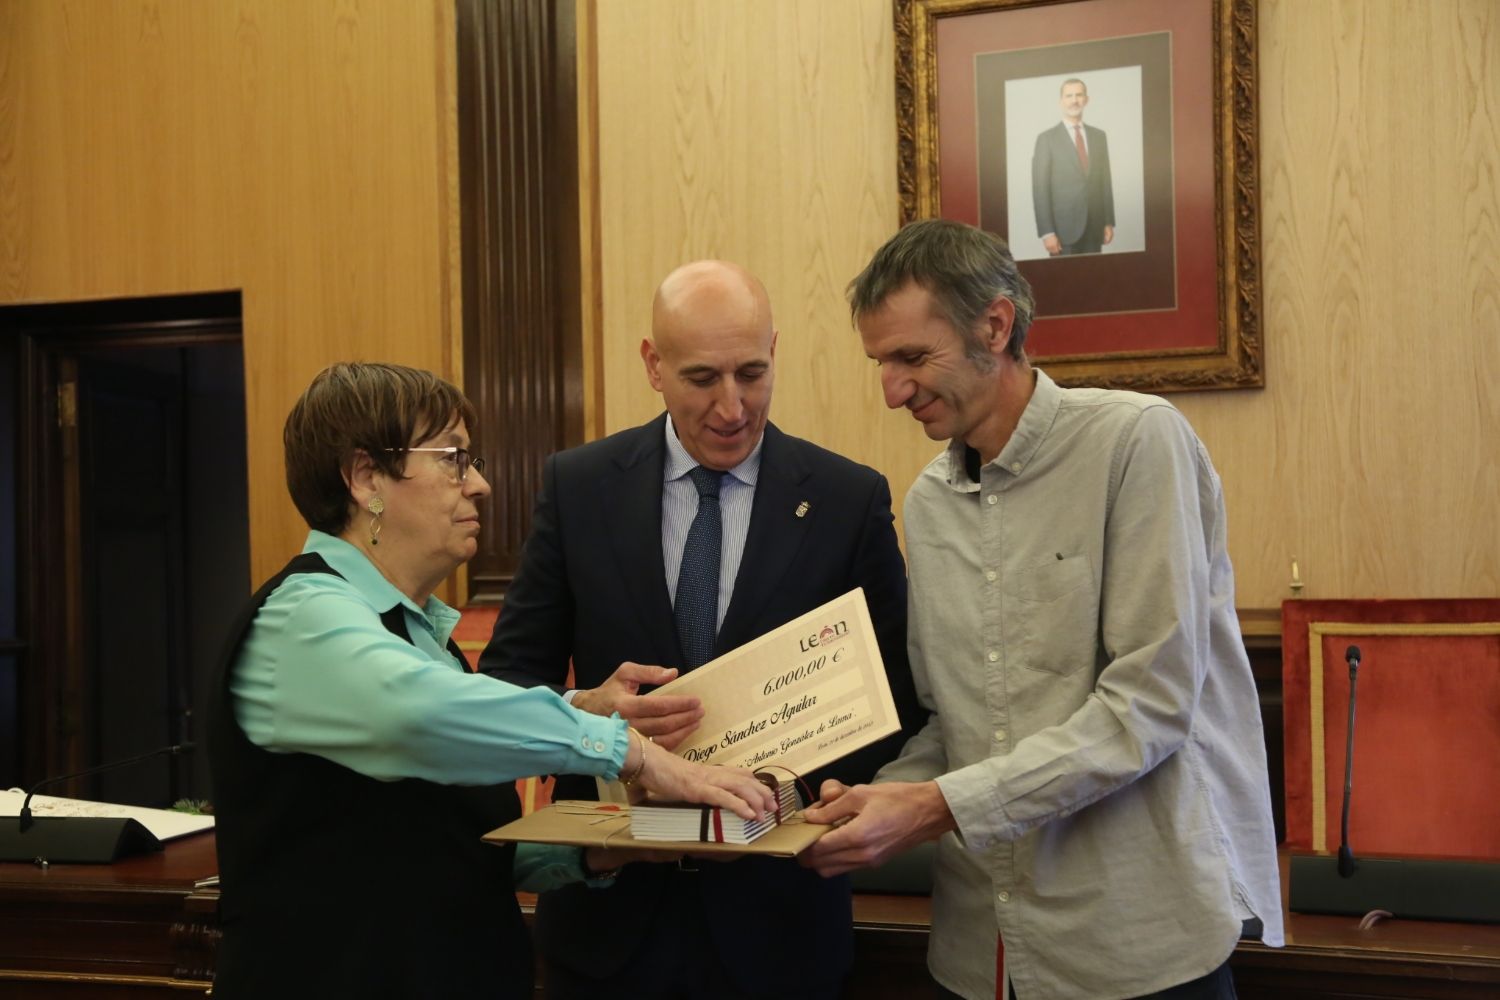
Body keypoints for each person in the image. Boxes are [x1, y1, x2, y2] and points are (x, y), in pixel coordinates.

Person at [800, 219, 1282, 1000]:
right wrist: (872, 799)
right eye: (880, 363)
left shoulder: (1137, 443)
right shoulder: (926, 504)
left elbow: (1148, 707)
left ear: (995, 325)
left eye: (911, 357)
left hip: (1134, 947)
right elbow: (948, 721)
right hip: (976, 954)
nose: (891, 390)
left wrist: (930, 807)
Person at [207, 362, 775, 1000]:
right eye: (452, 458)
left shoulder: (420, 635)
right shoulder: (304, 617)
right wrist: (632, 752)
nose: (478, 483)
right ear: (366, 477)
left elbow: (442, 844)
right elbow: (417, 714)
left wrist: (605, 850)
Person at [480, 260, 917, 1000]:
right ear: (653, 365)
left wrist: (785, 798)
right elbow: (507, 683)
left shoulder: (847, 500)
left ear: (775, 350)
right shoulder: (579, 488)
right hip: (608, 931)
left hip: (778, 929)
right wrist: (589, 708)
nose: (731, 406)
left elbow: (896, 702)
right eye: (701, 378)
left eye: (752, 372)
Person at [1032, 77, 1115, 256]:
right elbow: (1040, 189)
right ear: (1061, 101)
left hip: (1095, 227)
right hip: (1063, 232)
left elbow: (1105, 181)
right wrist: (1047, 232)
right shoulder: (1046, 139)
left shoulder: (1099, 137)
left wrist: (1108, 221)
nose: (1074, 100)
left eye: (1079, 95)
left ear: (1086, 99)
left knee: (1096, 279)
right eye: (1069, 96)